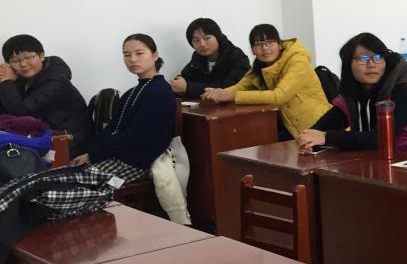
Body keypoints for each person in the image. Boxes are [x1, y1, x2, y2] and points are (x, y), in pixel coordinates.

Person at [299, 33, 407, 156]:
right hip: (380, 162)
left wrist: (326, 138)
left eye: (378, 57)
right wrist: (308, 141)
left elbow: (381, 138)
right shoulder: (350, 98)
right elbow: (318, 129)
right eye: (363, 58)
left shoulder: (401, 93)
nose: (371, 64)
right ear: (348, 65)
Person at [202, 25, 330, 141]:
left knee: (260, 142)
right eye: (259, 44)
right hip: (289, 125)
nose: (265, 48)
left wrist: (233, 96)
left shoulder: (298, 61)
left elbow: (278, 96)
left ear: (279, 45)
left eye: (270, 42)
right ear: (252, 50)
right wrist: (217, 93)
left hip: (317, 126)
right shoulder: (260, 66)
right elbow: (241, 86)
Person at [71, 35, 175, 176]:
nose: (132, 59)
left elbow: (136, 136)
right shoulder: (131, 92)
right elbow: (112, 129)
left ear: (155, 55)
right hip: (118, 155)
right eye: (127, 55)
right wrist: (87, 151)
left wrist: (92, 154)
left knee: (61, 181)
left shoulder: (159, 91)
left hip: (135, 163)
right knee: (58, 174)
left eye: (139, 53)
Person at [0, 34, 92, 156]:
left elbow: (21, 112)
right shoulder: (23, 79)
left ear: (41, 56)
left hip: (69, 142)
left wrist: (7, 82)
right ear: (9, 65)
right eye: (15, 61)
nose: (23, 64)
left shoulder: (56, 80)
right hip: (44, 135)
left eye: (28, 57)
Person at [171, 18, 250, 98]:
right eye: (196, 40)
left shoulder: (237, 57)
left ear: (218, 37)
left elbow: (228, 89)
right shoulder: (197, 56)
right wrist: (177, 84)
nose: (202, 44)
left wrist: (188, 88)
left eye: (207, 38)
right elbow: (185, 77)